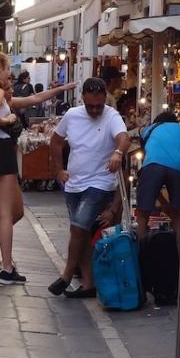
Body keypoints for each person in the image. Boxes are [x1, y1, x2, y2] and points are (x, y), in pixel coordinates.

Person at [0, 51, 74, 285]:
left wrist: (60, 89)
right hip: (0, 151)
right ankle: (7, 268)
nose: (9, 73)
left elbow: (34, 99)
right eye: (6, 69)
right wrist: (8, 120)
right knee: (5, 213)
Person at [48, 76, 130, 299]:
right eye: (90, 106)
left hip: (100, 183)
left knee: (79, 227)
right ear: (82, 98)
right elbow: (55, 141)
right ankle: (88, 284)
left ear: (105, 100)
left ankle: (66, 275)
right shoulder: (72, 115)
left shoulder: (112, 116)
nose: (94, 110)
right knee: (81, 232)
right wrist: (58, 170)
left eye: (99, 106)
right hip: (74, 183)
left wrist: (118, 152)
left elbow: (124, 138)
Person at [135, 111, 180, 246]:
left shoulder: (148, 131)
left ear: (156, 122)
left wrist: (164, 203)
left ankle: (137, 255)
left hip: (152, 167)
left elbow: (148, 171)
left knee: (142, 216)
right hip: (178, 168)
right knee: (179, 218)